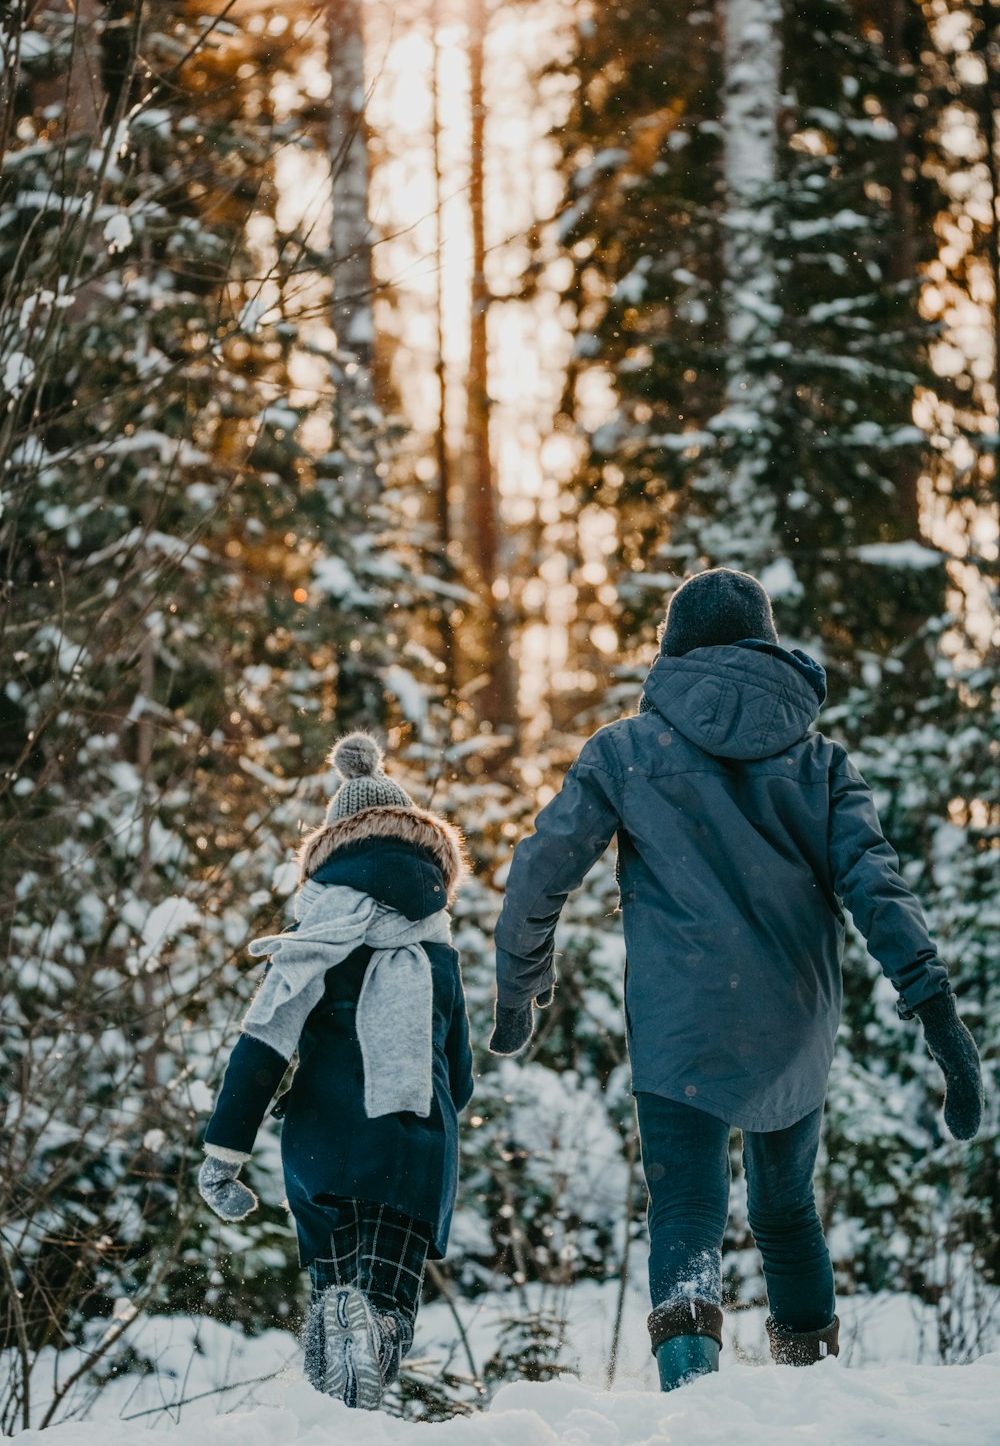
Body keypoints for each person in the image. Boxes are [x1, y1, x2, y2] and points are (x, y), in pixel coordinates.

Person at [490, 568, 983, 1391]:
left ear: (673, 651)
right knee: (787, 1216)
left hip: (681, 1023)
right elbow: (876, 887)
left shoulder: (624, 752)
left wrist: (520, 983)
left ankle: (696, 1409)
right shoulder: (822, 763)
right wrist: (937, 1013)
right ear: (763, 645)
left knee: (685, 1216)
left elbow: (540, 871)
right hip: (793, 1025)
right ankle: (811, 1397)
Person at [198, 733, 473, 1410]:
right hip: (408, 1144)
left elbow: (262, 1045)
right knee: (386, 1296)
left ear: (329, 852)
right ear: (424, 849)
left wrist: (223, 1154)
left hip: (320, 1144)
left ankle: (335, 1364)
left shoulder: (314, 940)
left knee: (332, 1291)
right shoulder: (436, 949)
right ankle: (373, 1323)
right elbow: (460, 1078)